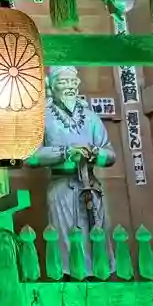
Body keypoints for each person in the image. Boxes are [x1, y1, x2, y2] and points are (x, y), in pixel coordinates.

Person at [28, 65, 114, 274]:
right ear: (51, 86)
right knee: (69, 247)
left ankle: (100, 280)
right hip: (62, 189)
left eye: (72, 82)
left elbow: (111, 155)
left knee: (98, 244)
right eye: (62, 82)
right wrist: (66, 152)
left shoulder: (91, 118)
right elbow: (31, 157)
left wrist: (94, 153)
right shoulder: (42, 118)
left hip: (91, 187)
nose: (69, 86)